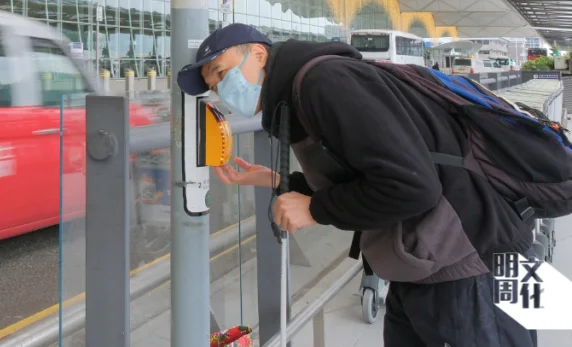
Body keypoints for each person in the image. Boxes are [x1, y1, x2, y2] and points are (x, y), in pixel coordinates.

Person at [177, 24, 536, 347]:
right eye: (213, 86)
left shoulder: (325, 83)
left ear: (258, 54)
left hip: (476, 263)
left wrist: (315, 209)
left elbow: (411, 187)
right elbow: (374, 175)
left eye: (221, 73)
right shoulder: (303, 93)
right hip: (439, 259)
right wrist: (279, 181)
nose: (222, 89)